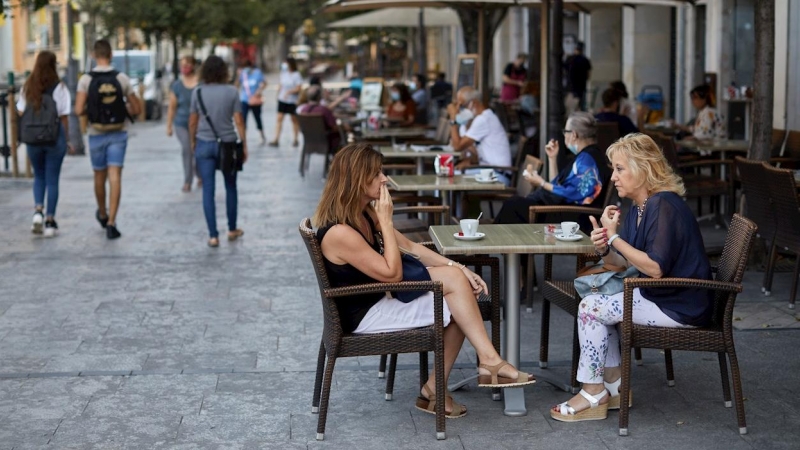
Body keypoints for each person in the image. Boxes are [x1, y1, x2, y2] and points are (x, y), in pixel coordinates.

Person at [313, 143, 536, 418]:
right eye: (376, 173)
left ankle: (445, 383)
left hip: (382, 297)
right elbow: (393, 274)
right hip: (365, 314)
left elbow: (412, 247)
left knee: (461, 295)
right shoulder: (339, 232)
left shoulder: (363, 213)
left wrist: (459, 267)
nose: (385, 179)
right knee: (459, 302)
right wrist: (385, 221)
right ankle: (480, 366)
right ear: (356, 180)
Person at [550, 133, 712, 422]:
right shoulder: (640, 207)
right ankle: (614, 386)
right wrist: (605, 244)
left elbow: (654, 268)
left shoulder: (663, 205)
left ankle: (593, 391)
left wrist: (614, 239)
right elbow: (622, 262)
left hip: (679, 304)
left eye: (620, 169)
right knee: (595, 302)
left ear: (644, 168)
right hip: (658, 295)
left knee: (590, 309)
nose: (613, 177)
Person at [75, 39, 141, 240]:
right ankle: (112, 222)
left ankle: (102, 213)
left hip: (96, 133)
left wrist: (94, 111)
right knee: (115, 176)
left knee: (99, 176)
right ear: (111, 54)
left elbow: (78, 110)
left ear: (94, 55)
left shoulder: (85, 80)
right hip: (118, 132)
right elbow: (136, 108)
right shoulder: (121, 78)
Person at [494, 112, 611, 225]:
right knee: (515, 204)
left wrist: (542, 183)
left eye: (566, 131)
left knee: (513, 205)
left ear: (574, 135)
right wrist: (552, 158)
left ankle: (494, 243)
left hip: (573, 217)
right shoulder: (587, 156)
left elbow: (570, 193)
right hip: (565, 211)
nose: (564, 135)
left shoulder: (587, 160)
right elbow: (559, 187)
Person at [188, 55, 248, 248]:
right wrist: (244, 144)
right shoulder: (231, 91)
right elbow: (238, 120)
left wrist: (192, 142)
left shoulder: (197, 92)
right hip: (228, 144)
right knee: (231, 187)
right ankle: (231, 229)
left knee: (208, 190)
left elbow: (192, 121)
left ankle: (213, 236)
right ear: (224, 71)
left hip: (204, 144)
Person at [16, 51, 72, 237]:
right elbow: (64, 117)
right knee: (52, 179)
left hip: (33, 139)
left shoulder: (28, 87)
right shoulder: (60, 88)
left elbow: (21, 112)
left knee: (38, 176)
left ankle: (38, 211)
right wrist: (67, 140)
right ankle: (49, 221)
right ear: (54, 65)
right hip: (54, 139)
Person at [447, 87, 513, 186]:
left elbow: (457, 146)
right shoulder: (482, 118)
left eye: (462, 105)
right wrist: (469, 161)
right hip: (489, 171)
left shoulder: (484, 120)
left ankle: (445, 202)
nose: (458, 110)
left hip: (498, 176)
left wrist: (453, 119)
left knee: (450, 177)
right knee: (452, 173)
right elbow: (477, 153)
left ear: (473, 103)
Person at [167, 56, 201, 192]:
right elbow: (172, 107)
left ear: (193, 65)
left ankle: (200, 175)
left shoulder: (200, 84)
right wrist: (169, 126)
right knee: (187, 148)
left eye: (187, 64)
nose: (184, 67)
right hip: (181, 123)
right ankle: (188, 180)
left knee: (197, 150)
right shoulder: (176, 86)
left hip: (199, 124)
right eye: (182, 65)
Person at [269, 57, 303, 147]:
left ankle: (295, 139)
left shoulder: (296, 75)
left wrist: (290, 92)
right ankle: (276, 138)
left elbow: (299, 88)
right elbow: (281, 85)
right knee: (279, 118)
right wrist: (278, 94)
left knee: (294, 119)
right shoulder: (283, 74)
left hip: (292, 100)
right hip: (282, 99)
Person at [297, 85, 341, 151]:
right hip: (328, 142)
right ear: (319, 97)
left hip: (310, 142)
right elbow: (334, 127)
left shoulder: (303, 110)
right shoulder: (324, 110)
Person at [235, 60, 267, 145]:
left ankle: (262, 135)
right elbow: (236, 85)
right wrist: (238, 76)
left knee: (257, 118)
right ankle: (243, 137)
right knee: (243, 119)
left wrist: (258, 91)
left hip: (255, 99)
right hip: (245, 99)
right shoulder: (243, 74)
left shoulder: (257, 73)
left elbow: (264, 83)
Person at [564, 42, 592, 111]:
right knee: (580, 106)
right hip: (581, 86)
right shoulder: (585, 60)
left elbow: (564, 71)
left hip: (570, 86)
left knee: (570, 107)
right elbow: (588, 74)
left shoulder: (570, 59)